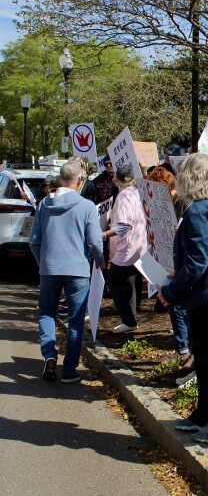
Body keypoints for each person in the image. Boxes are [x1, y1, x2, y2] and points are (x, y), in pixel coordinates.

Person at [159, 153, 208, 443]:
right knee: (207, 359)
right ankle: (205, 414)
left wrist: (170, 291)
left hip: (205, 294)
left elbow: (197, 264)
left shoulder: (197, 211)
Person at [29, 160, 104, 383]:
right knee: (76, 319)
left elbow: (34, 241)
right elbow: (94, 243)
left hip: (49, 268)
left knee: (46, 312)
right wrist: (100, 261)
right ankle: (69, 370)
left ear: (60, 179)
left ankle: (49, 354)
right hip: (78, 269)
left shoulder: (44, 205)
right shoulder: (87, 206)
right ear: (80, 181)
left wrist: (43, 263)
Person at [146, 166, 191, 366]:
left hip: (179, 262)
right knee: (172, 306)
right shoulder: (167, 203)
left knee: (178, 306)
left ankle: (184, 349)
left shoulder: (181, 202)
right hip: (167, 259)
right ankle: (181, 347)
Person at [101, 164, 147, 334]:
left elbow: (124, 225)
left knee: (113, 282)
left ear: (116, 179)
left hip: (126, 249)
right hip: (138, 246)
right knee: (128, 282)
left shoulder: (123, 197)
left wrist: (104, 234)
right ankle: (131, 318)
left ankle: (128, 319)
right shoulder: (136, 193)